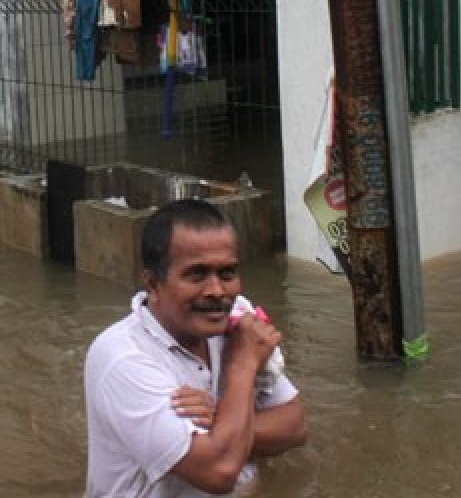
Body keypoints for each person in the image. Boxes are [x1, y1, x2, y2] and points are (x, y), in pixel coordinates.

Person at [84, 199, 307, 497]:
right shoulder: (123, 359)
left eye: (227, 273)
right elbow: (219, 471)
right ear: (152, 284)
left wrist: (220, 418)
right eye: (196, 275)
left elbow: (295, 425)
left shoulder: (236, 319)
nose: (217, 291)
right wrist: (240, 367)